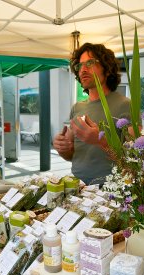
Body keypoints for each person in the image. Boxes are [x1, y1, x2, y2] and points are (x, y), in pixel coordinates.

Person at [52, 43, 131, 185]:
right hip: (77, 185)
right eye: (79, 66)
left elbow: (133, 159)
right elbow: (72, 155)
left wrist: (100, 140)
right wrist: (62, 148)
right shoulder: (77, 107)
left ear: (107, 69)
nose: (83, 70)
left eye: (90, 63)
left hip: (110, 188)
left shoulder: (125, 105)